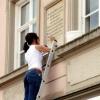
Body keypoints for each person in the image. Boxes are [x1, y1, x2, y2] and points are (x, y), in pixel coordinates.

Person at [23, 32, 50, 100]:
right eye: (38, 39)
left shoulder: (27, 52)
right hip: (35, 73)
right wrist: (45, 47)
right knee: (32, 97)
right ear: (35, 39)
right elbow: (50, 50)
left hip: (27, 75)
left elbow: (36, 56)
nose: (39, 41)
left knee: (27, 98)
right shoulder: (36, 46)